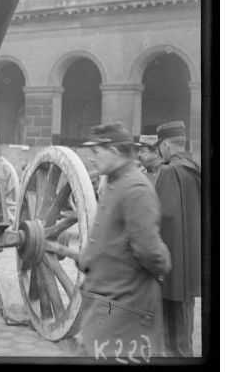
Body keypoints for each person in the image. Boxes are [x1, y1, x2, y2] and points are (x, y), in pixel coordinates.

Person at [77, 123, 171, 361]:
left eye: (97, 152)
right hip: (108, 302)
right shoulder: (116, 181)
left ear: (116, 152)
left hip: (126, 306)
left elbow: (151, 253)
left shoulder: (136, 189)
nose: (91, 158)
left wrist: (164, 262)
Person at [154, 121, 201, 357]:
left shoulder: (168, 171)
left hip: (171, 267)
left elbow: (160, 218)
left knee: (171, 339)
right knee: (185, 328)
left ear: (165, 145)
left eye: (158, 147)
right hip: (190, 264)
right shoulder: (194, 169)